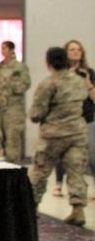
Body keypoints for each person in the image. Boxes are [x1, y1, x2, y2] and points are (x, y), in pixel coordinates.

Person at [27, 47, 89, 226]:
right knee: (76, 171)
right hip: (77, 133)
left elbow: (36, 114)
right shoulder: (78, 81)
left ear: (48, 63)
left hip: (53, 136)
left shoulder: (48, 84)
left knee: (40, 171)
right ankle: (78, 210)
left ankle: (32, 207)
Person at [53, 40, 95, 198]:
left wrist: (88, 83)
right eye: (72, 49)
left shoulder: (89, 72)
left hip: (86, 118)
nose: (76, 52)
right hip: (66, 120)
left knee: (92, 154)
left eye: (78, 49)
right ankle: (58, 184)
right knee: (62, 153)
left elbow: (94, 98)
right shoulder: (61, 73)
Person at [0, 40, 31, 163]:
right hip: (0, 109)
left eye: (5, 48)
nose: (2, 51)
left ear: (12, 50)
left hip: (14, 110)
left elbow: (25, 84)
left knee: (13, 142)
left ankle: (13, 166)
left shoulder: (19, 67)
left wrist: (9, 84)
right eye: (1, 48)